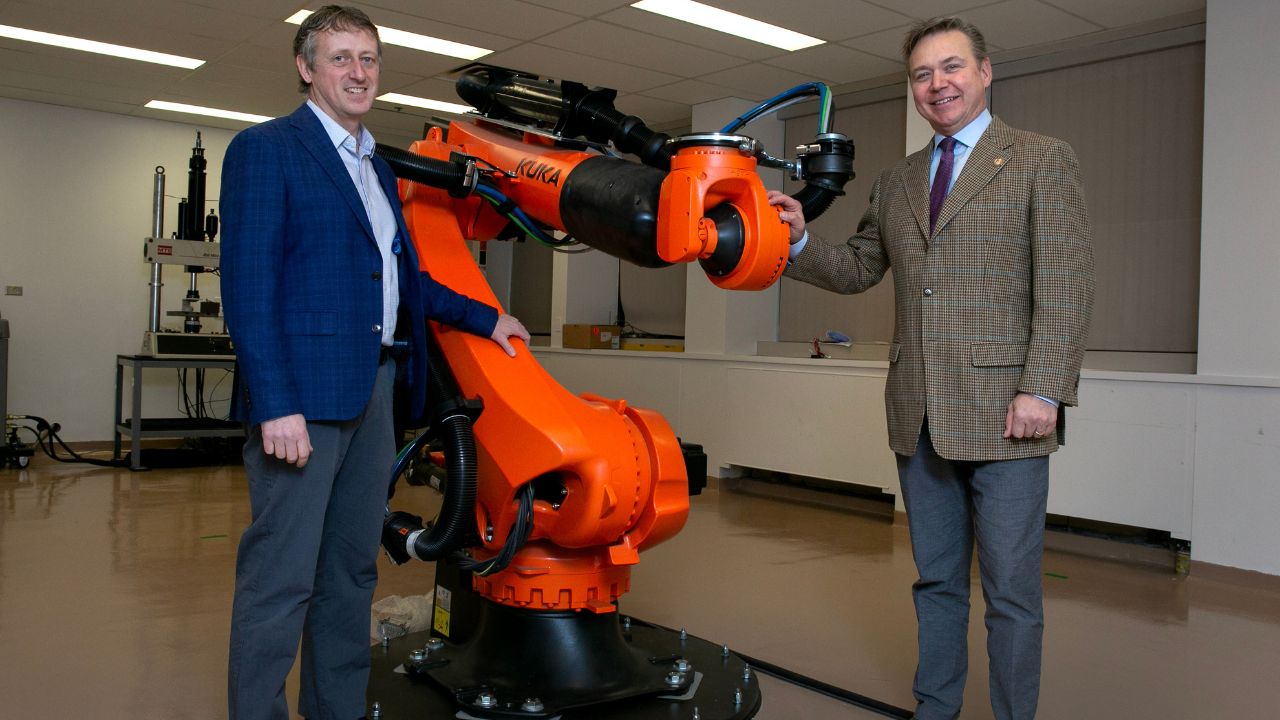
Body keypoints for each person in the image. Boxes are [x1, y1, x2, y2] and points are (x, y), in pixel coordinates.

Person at [769, 16, 1095, 720]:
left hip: (1008, 415)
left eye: (951, 67)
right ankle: (936, 707)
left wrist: (1043, 389)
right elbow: (859, 268)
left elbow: (1064, 285)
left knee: (1011, 595)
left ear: (985, 72)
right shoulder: (898, 181)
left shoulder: (1040, 158)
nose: (937, 84)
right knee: (937, 582)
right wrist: (796, 241)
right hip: (918, 414)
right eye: (922, 74)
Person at [220, 6, 529, 719]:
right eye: (341, 58)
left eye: (368, 58)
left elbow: (403, 281)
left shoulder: (377, 167)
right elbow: (248, 286)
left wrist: (486, 317)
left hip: (375, 390)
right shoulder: (267, 149)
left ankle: (337, 709)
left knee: (351, 572)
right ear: (306, 68)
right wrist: (275, 403)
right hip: (301, 402)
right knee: (280, 579)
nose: (358, 72)